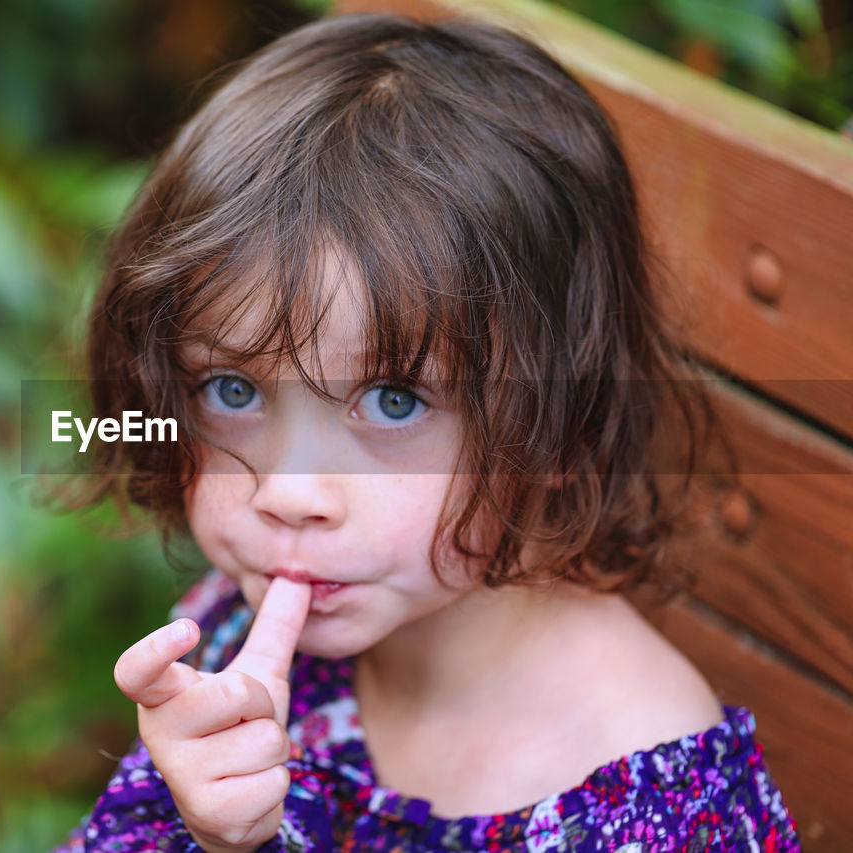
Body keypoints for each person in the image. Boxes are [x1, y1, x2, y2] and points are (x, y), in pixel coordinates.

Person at [53, 12, 802, 852]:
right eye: (231, 389)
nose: (287, 492)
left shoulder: (648, 805)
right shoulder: (255, 627)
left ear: (558, 423)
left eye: (394, 400)